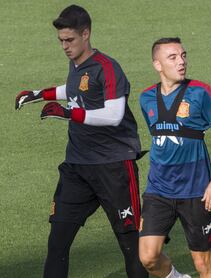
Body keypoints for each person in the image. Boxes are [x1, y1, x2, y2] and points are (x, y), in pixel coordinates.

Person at [15, 5, 148, 278]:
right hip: (77, 166)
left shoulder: (108, 68)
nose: (64, 46)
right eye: (61, 41)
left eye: (70, 40)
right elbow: (75, 88)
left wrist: (67, 113)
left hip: (114, 167)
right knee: (57, 242)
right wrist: (39, 93)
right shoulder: (76, 64)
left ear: (85, 34)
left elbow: (113, 115)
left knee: (131, 245)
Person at [138, 37, 211, 278]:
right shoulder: (146, 97)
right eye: (173, 57)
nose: (181, 62)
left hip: (196, 191)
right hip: (158, 189)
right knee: (148, 257)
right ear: (157, 65)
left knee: (205, 267)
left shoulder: (200, 92)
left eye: (183, 56)